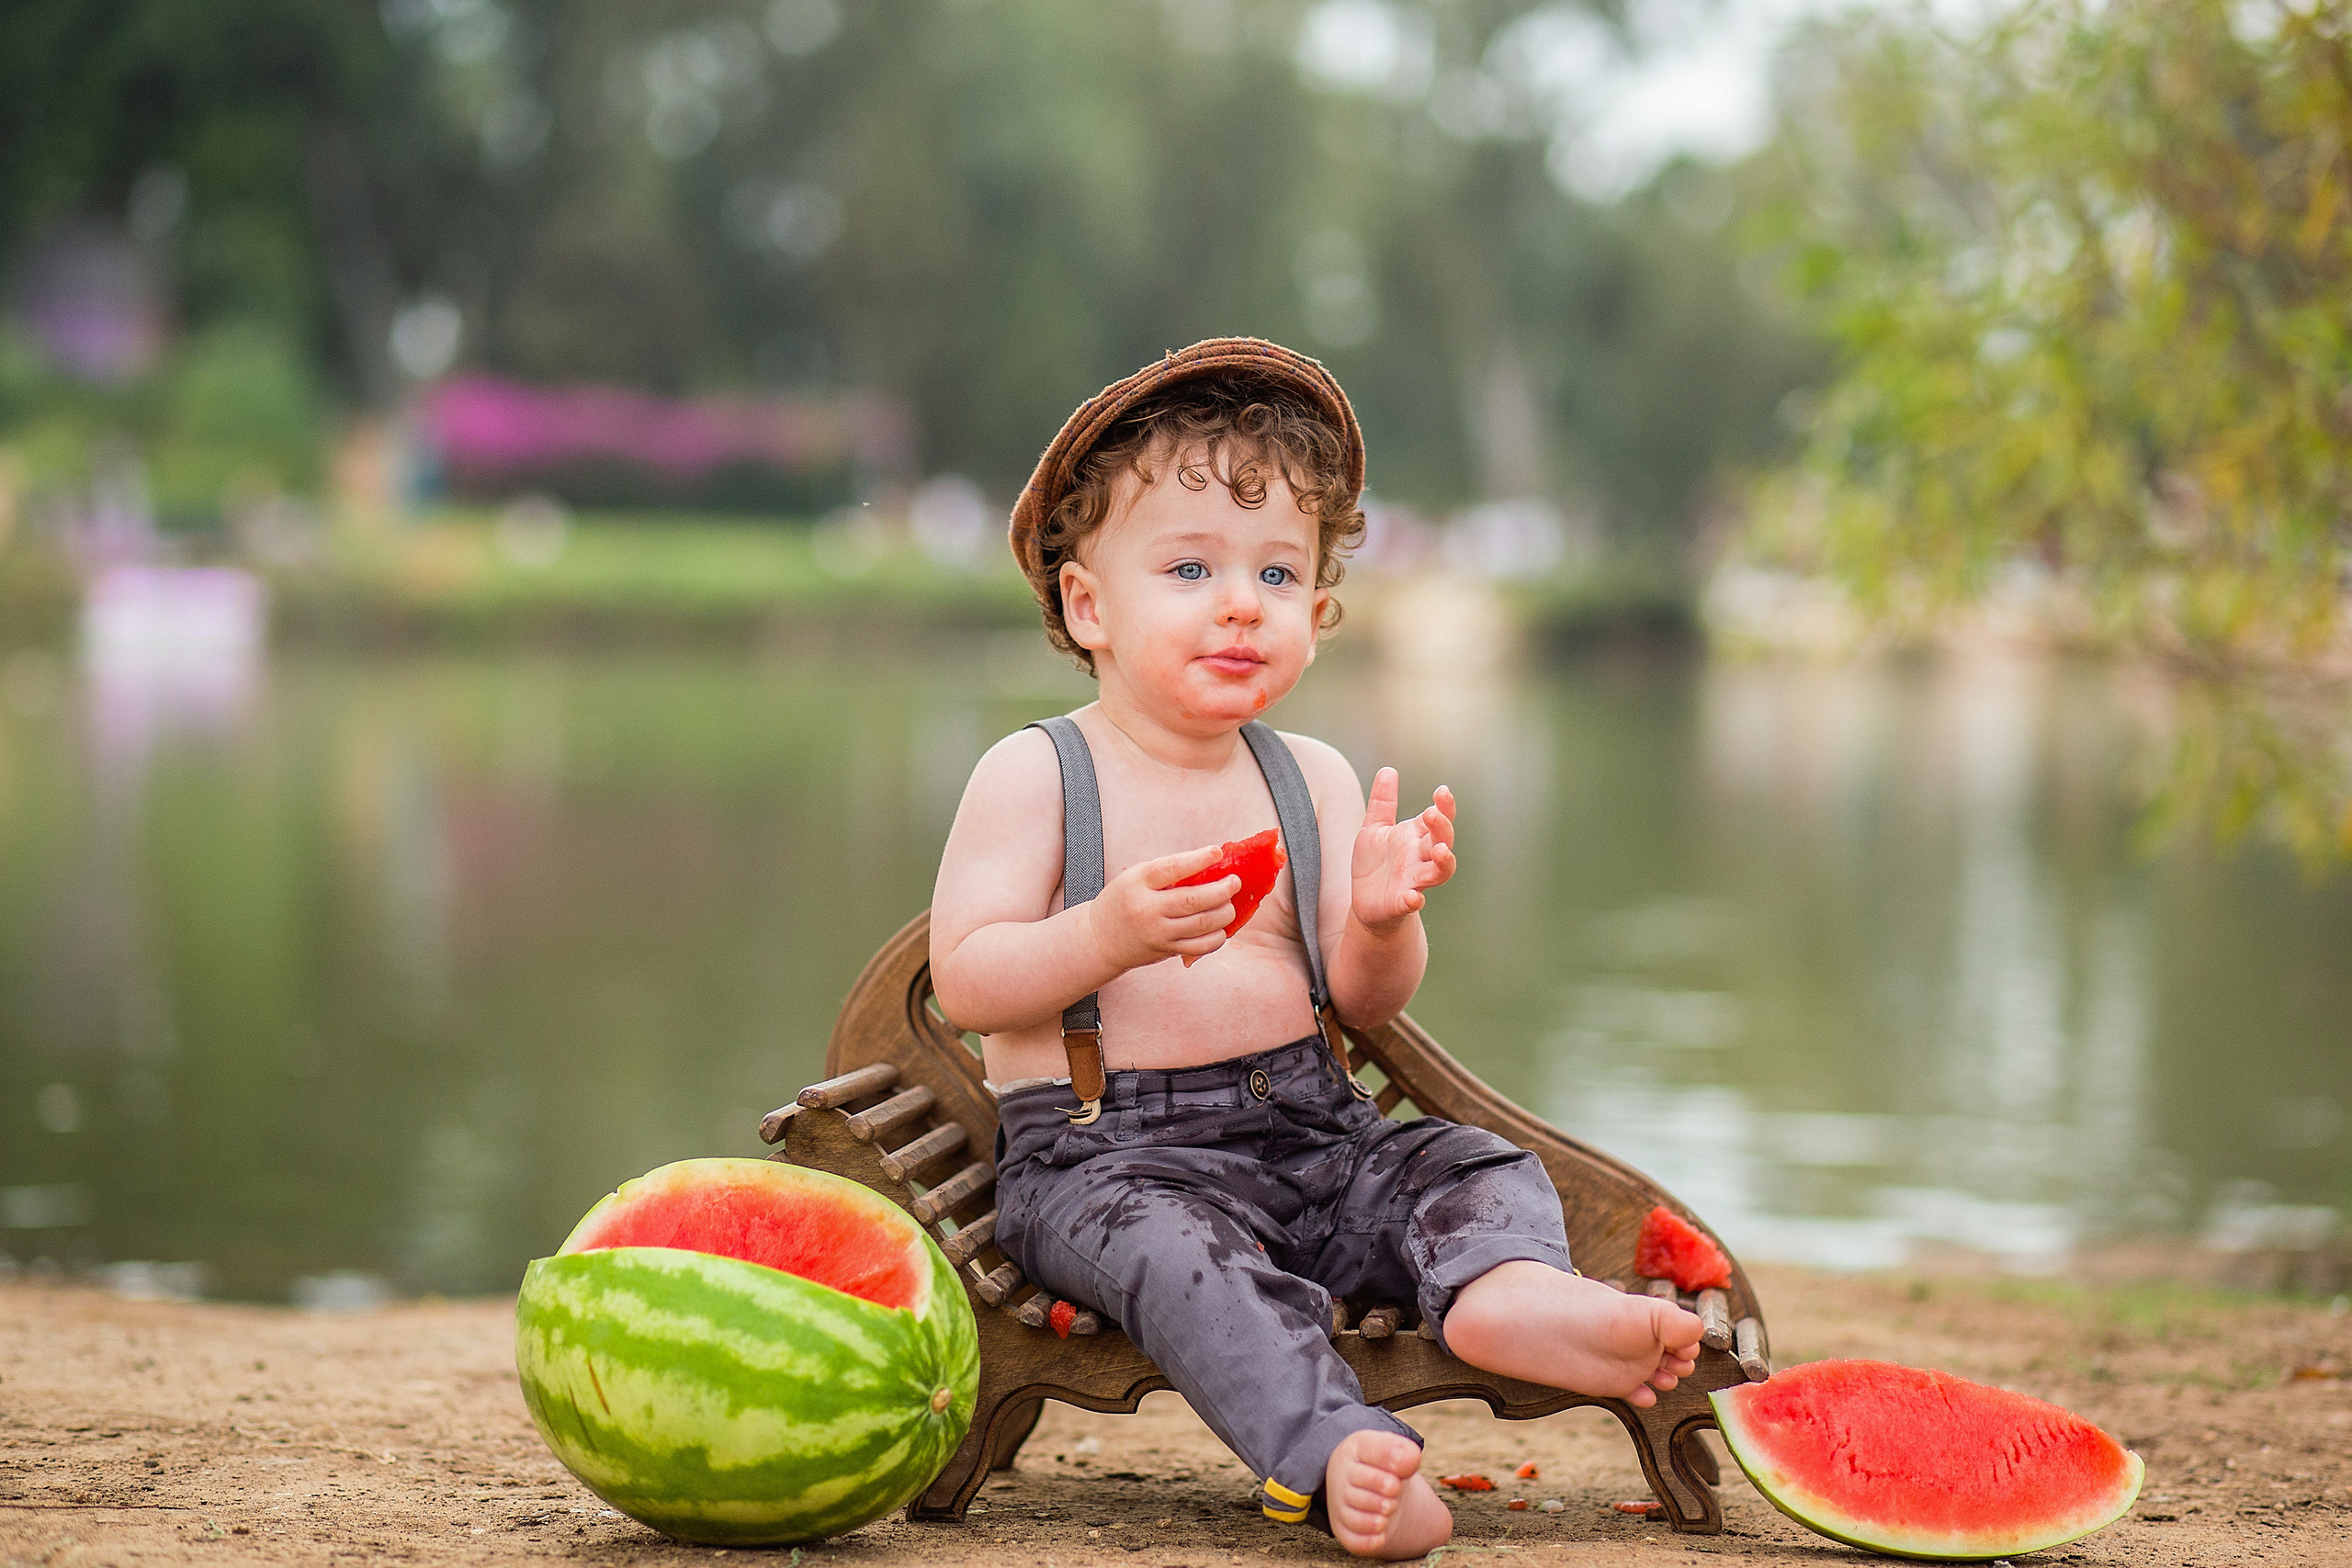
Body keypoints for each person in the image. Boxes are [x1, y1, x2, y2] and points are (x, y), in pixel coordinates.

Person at [929, 339, 1703, 1560]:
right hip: (1105, 1165)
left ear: (1318, 612)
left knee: (1470, 1159)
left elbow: (1361, 998)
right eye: (1190, 566)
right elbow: (968, 977)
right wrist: (1107, 932)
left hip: (1313, 1131)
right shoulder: (1039, 773)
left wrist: (1386, 920)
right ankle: (1337, 1451)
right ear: (1091, 606)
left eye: (1278, 574)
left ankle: (1503, 1293)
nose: (1242, 601)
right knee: (1190, 1265)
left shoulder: (1313, 780)